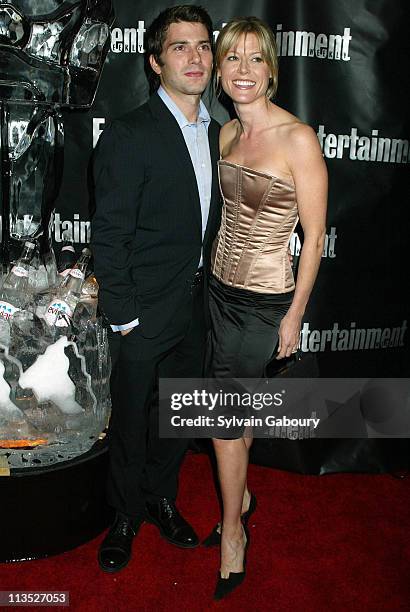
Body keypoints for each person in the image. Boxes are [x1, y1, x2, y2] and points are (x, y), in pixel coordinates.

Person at [91, 5, 222, 573]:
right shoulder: (129, 133)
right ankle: (124, 514)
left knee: (179, 414)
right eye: (180, 47)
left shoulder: (223, 135)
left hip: (200, 308)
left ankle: (160, 498)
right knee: (130, 418)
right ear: (154, 61)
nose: (195, 57)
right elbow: (110, 232)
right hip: (143, 309)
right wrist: (123, 314)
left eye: (203, 46)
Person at [202, 17, 328, 600]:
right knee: (239, 415)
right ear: (220, 71)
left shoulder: (298, 138)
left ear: (272, 69)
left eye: (256, 59)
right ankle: (243, 497)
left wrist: (295, 314)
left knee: (224, 421)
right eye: (233, 59)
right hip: (218, 294)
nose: (244, 71)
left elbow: (315, 235)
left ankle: (233, 532)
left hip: (264, 301)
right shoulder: (225, 134)